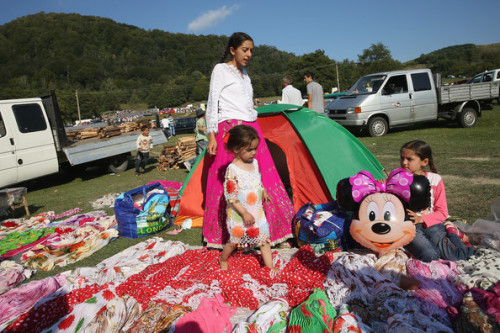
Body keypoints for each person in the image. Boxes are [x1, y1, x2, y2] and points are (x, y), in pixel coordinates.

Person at [204, 32, 294, 249]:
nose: (249, 54)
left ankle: (273, 232)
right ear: (233, 50)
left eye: (251, 50)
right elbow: (212, 102)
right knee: (229, 181)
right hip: (231, 130)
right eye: (245, 49)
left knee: (262, 178)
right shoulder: (220, 70)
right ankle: (227, 236)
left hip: (251, 128)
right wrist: (212, 135)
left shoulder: (245, 75)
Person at [400, 140, 474, 262]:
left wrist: (422, 219)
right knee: (430, 256)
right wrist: (380, 184)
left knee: (458, 257)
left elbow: (442, 212)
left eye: (409, 159)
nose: (404, 163)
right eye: (402, 158)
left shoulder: (435, 179)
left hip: (432, 224)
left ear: (424, 162)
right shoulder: (397, 180)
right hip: (410, 227)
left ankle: (452, 231)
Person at [219, 125, 278, 273]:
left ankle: (269, 267)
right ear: (237, 149)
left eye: (255, 149)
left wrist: (263, 191)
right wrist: (244, 213)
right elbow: (231, 196)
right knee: (234, 241)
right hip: (240, 214)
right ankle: (223, 258)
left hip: (256, 210)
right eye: (249, 150)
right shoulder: (232, 169)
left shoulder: (255, 163)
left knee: (264, 239)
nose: (254, 153)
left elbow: (257, 180)